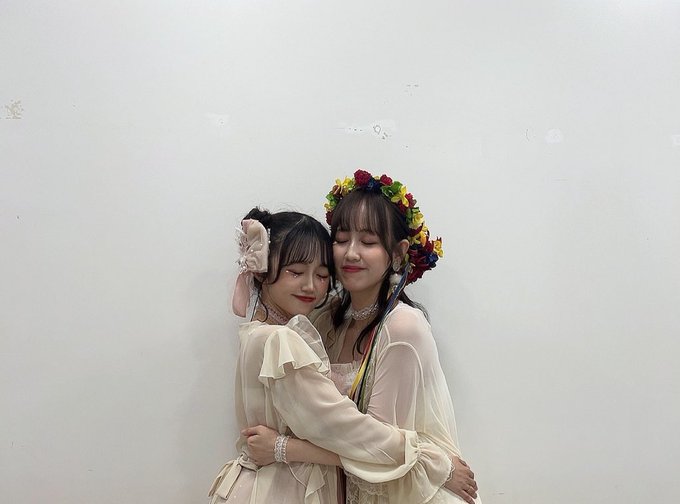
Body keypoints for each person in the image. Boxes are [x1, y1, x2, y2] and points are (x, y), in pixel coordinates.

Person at [208, 207, 475, 504]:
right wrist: (432, 462)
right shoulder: (284, 339)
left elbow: (349, 432)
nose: (310, 286)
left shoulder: (263, 332)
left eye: (322, 275)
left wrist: (282, 447)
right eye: (295, 272)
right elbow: (350, 431)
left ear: (397, 253)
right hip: (286, 487)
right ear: (262, 271)